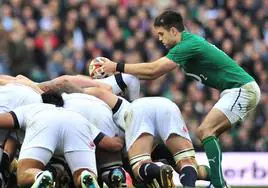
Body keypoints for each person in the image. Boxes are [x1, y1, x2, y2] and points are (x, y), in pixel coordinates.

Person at [96, 10, 261, 188]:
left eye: (162, 34)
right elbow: (150, 73)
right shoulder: (186, 46)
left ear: (174, 31)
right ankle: (214, 179)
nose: (160, 39)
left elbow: (154, 71)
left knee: (206, 131)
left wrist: (116, 66)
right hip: (235, 90)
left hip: (242, 89)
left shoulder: (187, 45)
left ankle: (218, 184)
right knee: (206, 133)